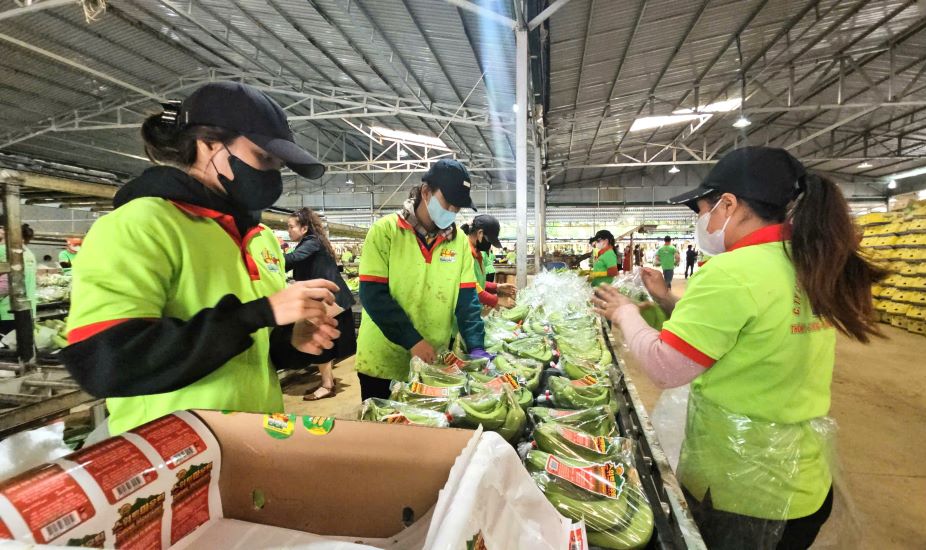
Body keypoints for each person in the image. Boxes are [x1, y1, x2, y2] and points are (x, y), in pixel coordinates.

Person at [593, 146, 886, 550]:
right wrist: (664, 301)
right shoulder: (807, 261)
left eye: (702, 210)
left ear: (728, 204)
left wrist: (624, 313)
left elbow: (665, 367)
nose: (702, 222)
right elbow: (744, 332)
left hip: (742, 489)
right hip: (803, 481)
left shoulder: (732, 271)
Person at [61, 81, 341, 435]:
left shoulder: (260, 238)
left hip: (253, 440)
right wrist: (259, 312)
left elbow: (243, 351)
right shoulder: (141, 225)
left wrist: (290, 343)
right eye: (263, 157)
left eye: (278, 165)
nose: (272, 174)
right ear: (207, 144)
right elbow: (107, 362)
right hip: (172, 450)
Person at [356, 159, 486, 400]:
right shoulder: (385, 232)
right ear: (426, 192)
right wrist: (412, 340)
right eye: (448, 203)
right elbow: (373, 296)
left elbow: (467, 300)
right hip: (384, 361)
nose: (453, 211)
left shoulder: (458, 242)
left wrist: (476, 345)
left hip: (433, 363)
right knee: (383, 421)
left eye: (458, 207)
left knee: (429, 420)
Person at [285, 207, 357, 401]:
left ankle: (326, 386)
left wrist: (269, 259)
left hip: (329, 301)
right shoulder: (314, 241)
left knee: (318, 341)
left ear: (304, 228)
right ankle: (328, 382)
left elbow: (293, 259)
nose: (288, 230)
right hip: (330, 299)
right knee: (322, 341)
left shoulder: (311, 242)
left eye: (291, 226)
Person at [461, 215, 516, 308]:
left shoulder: (477, 254)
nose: (489, 245)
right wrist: (497, 300)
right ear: (480, 233)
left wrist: (497, 287)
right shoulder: (463, 253)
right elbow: (469, 287)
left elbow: (477, 282)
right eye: (489, 241)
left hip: (473, 309)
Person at [0, 224, 37, 334]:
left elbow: (5, 284)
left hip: (8, 310)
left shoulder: (4, 250)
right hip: (28, 308)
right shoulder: (29, 253)